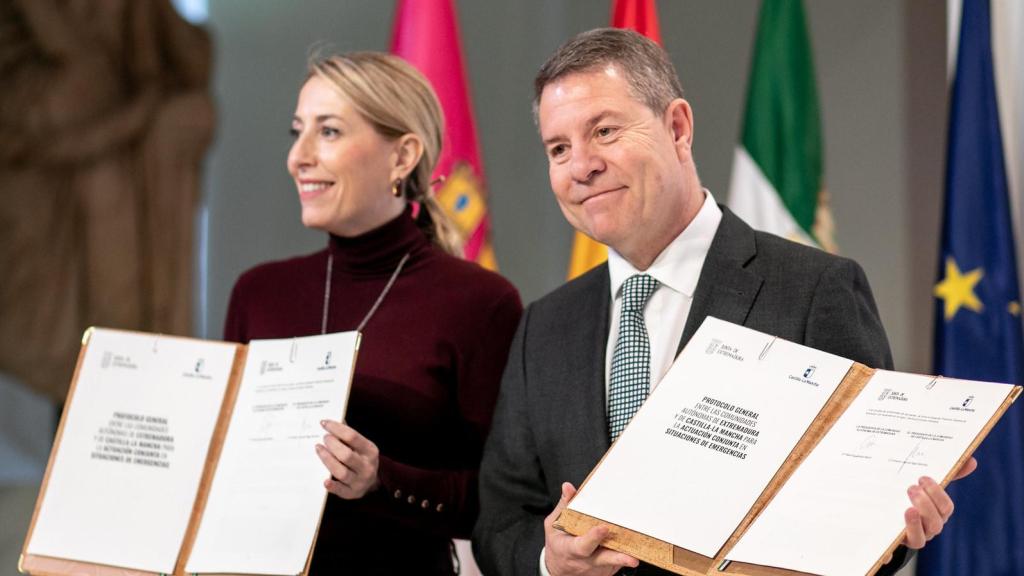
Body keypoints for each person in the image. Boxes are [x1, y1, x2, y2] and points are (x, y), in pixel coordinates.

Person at [473, 28, 972, 576]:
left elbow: (868, 507)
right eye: (559, 148)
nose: (581, 166)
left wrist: (897, 524)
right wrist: (549, 559)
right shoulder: (543, 326)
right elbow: (499, 525)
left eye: (605, 131)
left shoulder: (814, 291)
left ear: (678, 127)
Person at [224, 52, 522, 575]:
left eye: (329, 132)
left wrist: (381, 479)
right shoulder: (258, 293)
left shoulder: (480, 302)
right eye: (297, 132)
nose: (299, 156)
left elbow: (496, 501)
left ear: (403, 155)